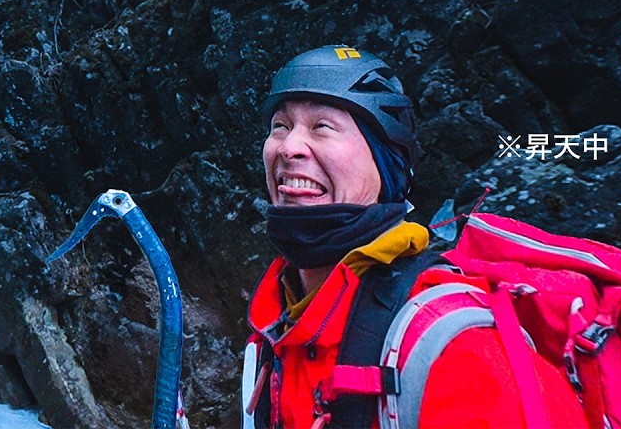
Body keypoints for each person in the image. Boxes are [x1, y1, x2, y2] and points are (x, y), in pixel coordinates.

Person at [243, 45, 587, 428]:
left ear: (384, 162)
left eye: (322, 127)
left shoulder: (454, 346)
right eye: (280, 126)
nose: (289, 147)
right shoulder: (273, 334)